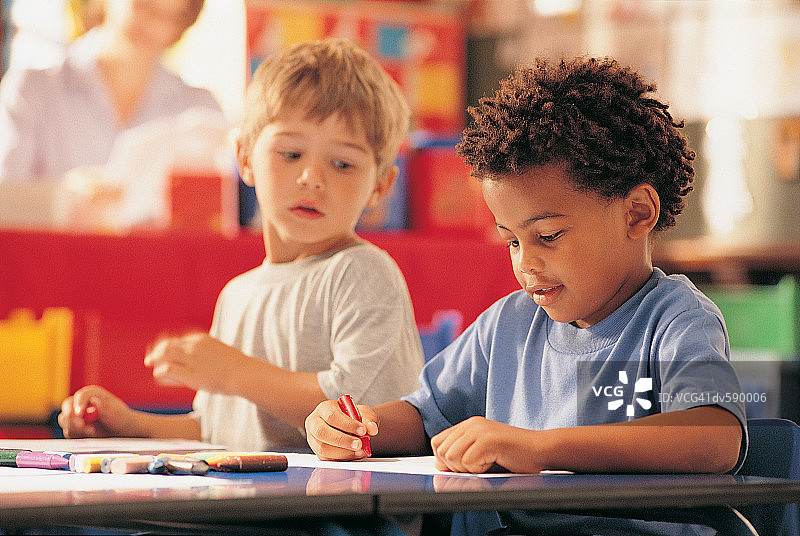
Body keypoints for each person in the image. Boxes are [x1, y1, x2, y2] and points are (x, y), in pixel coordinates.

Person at [305, 57, 747, 534]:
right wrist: (357, 427)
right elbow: (424, 415)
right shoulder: (508, 325)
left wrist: (538, 447)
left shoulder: (676, 318)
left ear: (637, 213)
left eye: (549, 236)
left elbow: (715, 437)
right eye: (512, 240)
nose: (524, 264)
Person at [58, 38, 424, 451]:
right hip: (250, 505)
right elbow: (217, 430)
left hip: (339, 512)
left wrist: (234, 372)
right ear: (245, 158)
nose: (312, 177)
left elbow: (359, 417)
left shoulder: (362, 273)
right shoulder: (237, 294)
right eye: (290, 153)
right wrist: (129, 425)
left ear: (380, 186)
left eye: (342, 163)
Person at [0, 0, 220, 182]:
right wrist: (65, 202)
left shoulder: (200, 109)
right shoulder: (30, 91)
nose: (152, 25)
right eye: (143, 5)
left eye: (170, 17)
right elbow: (8, 203)